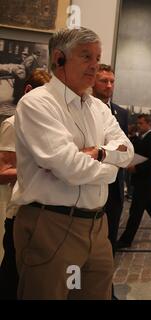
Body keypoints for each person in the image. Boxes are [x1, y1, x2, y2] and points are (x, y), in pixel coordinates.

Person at [11, 27, 134, 300]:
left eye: (98, 57)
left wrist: (99, 154)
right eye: (86, 56)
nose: (95, 66)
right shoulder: (38, 104)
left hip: (96, 227)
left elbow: (127, 152)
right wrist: (109, 167)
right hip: (53, 225)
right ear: (59, 58)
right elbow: (70, 167)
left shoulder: (99, 108)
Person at [0, 70, 51, 300]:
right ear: (28, 91)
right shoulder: (13, 124)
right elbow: (2, 172)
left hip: (38, 212)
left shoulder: (40, 126)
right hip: (17, 212)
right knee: (12, 276)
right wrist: (45, 168)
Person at [117, 114, 151, 247]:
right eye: (138, 123)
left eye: (141, 123)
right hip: (141, 179)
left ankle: (126, 240)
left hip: (145, 180)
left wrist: (136, 168)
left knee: (136, 211)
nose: (138, 125)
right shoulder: (141, 138)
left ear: (149, 124)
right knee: (150, 207)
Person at [92, 64, 128, 253]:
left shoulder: (121, 113)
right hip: (91, 180)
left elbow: (124, 147)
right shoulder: (85, 107)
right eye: (103, 81)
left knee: (109, 237)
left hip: (114, 185)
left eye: (112, 81)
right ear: (93, 82)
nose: (108, 85)